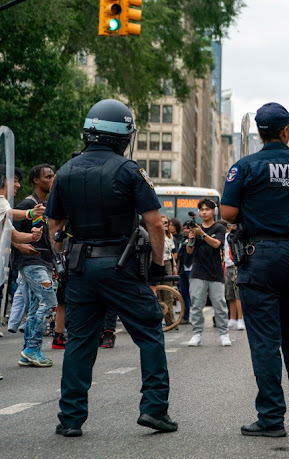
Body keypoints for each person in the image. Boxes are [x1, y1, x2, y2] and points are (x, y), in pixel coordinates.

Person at [47, 98, 176, 437]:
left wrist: (64, 260)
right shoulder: (129, 170)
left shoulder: (64, 171)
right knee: (149, 333)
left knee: (79, 342)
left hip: (80, 269)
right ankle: (154, 410)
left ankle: (70, 419)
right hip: (120, 267)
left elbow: (53, 226)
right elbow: (155, 225)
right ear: (123, 136)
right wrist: (158, 269)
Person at [220, 102, 289, 437]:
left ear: (260, 133)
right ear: (286, 131)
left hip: (259, 256)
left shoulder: (245, 167)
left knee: (265, 340)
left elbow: (227, 211)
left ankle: (270, 418)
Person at [13, 164, 60, 366]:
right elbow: (7, 232)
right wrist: (20, 246)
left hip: (43, 262)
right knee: (49, 302)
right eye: (47, 176)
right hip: (31, 262)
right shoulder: (26, 204)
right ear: (36, 180)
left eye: (53, 176)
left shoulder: (46, 204)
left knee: (35, 307)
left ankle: (29, 351)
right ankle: (32, 348)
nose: (52, 179)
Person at [185, 198, 230, 347]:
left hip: (215, 271)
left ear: (213, 211)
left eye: (207, 209)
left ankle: (224, 333)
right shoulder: (195, 229)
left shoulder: (219, 228)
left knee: (219, 304)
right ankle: (197, 334)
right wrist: (191, 238)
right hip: (197, 271)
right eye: (202, 209)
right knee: (197, 304)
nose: (204, 212)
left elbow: (217, 244)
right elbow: (189, 251)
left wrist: (202, 234)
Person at [224, 222, 244, 331]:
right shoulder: (226, 236)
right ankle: (232, 318)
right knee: (230, 293)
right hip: (228, 265)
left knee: (238, 294)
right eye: (229, 225)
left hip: (236, 265)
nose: (231, 227)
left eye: (233, 225)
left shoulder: (240, 234)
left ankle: (240, 318)